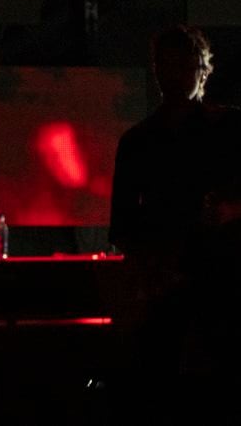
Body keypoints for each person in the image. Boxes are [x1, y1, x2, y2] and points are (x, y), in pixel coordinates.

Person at [108, 24, 241, 425]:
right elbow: (124, 225)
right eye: (169, 64)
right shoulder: (139, 141)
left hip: (220, 284)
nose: (177, 73)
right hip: (173, 284)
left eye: (186, 64)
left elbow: (124, 225)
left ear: (203, 69)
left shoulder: (230, 129)